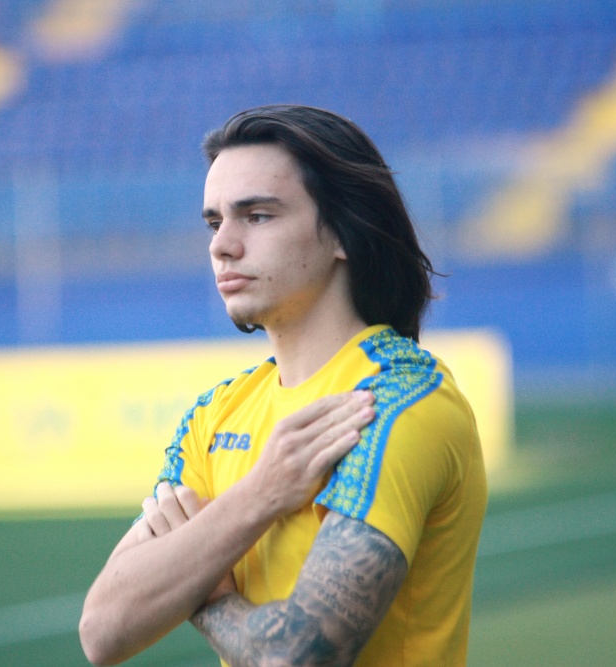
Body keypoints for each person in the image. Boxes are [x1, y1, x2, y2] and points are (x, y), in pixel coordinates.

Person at [79, 104, 487, 666]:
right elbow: (102, 631)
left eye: (257, 216)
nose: (222, 245)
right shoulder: (217, 412)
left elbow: (294, 656)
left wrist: (204, 592)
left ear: (343, 232)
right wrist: (261, 494)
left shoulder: (396, 402)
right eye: (214, 223)